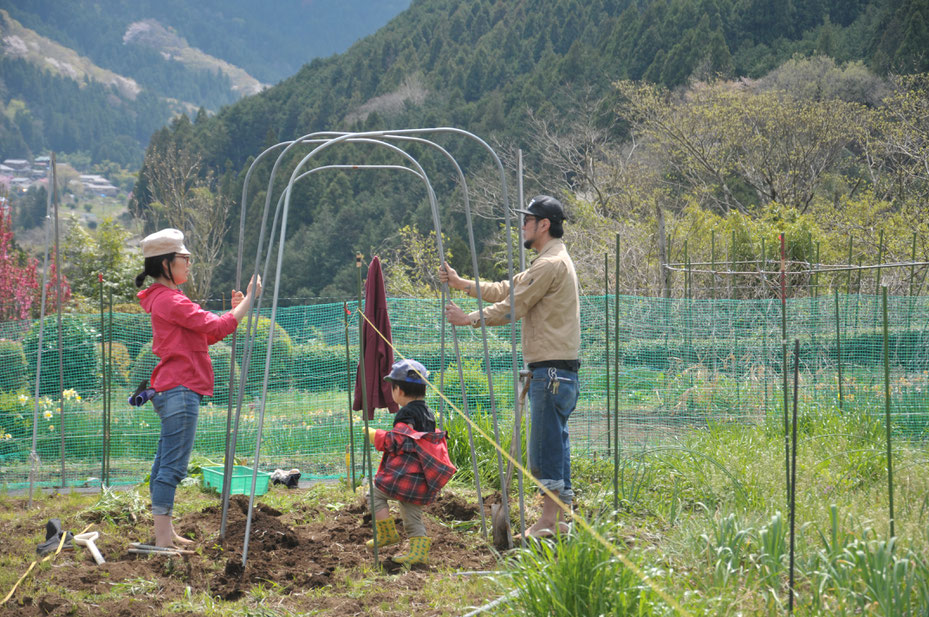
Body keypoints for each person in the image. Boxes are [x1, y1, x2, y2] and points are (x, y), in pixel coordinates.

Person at [440, 195, 580, 539]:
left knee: (545, 449)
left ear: (544, 224)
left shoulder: (550, 264)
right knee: (556, 445)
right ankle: (562, 517)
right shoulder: (549, 261)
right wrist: (463, 285)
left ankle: (549, 521)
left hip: (549, 372)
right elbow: (507, 289)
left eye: (527, 220)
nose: (522, 226)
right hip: (559, 371)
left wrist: (468, 319)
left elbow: (512, 307)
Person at [135, 228, 261, 548]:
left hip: (172, 390)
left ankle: (166, 532)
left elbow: (210, 334)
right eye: (184, 259)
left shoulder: (167, 299)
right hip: (180, 390)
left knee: (165, 464)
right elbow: (217, 326)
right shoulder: (171, 300)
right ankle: (163, 540)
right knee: (173, 468)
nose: (189, 264)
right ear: (166, 264)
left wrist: (236, 310)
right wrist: (249, 300)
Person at [364, 359, 456, 565]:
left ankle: (386, 533)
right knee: (411, 515)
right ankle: (418, 553)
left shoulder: (405, 413)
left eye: (392, 388)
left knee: (374, 494)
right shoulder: (428, 413)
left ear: (399, 391)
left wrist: (374, 435)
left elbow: (398, 441)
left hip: (404, 476)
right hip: (421, 479)